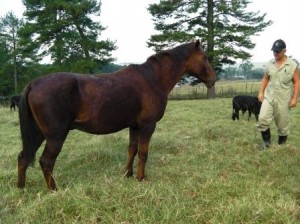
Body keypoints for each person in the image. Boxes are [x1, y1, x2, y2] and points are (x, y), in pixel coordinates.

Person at [257, 39, 299, 149]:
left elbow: (296, 81)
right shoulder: (269, 64)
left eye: (277, 51)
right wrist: (261, 92)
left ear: (284, 51)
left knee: (282, 125)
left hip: (284, 99)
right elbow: (265, 78)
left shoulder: (292, 65)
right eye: (274, 51)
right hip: (269, 97)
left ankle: (281, 145)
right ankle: (266, 143)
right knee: (262, 119)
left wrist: (294, 98)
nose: (275, 53)